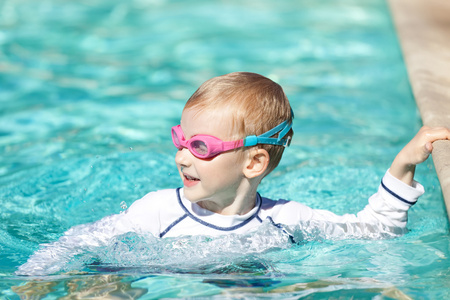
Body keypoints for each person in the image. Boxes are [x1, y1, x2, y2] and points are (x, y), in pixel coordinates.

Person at [16, 72, 450, 275]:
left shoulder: (287, 221)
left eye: (200, 147)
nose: (183, 157)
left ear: (254, 163)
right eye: (180, 140)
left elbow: (376, 233)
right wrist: (33, 278)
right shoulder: (156, 211)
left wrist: (403, 166)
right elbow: (77, 240)